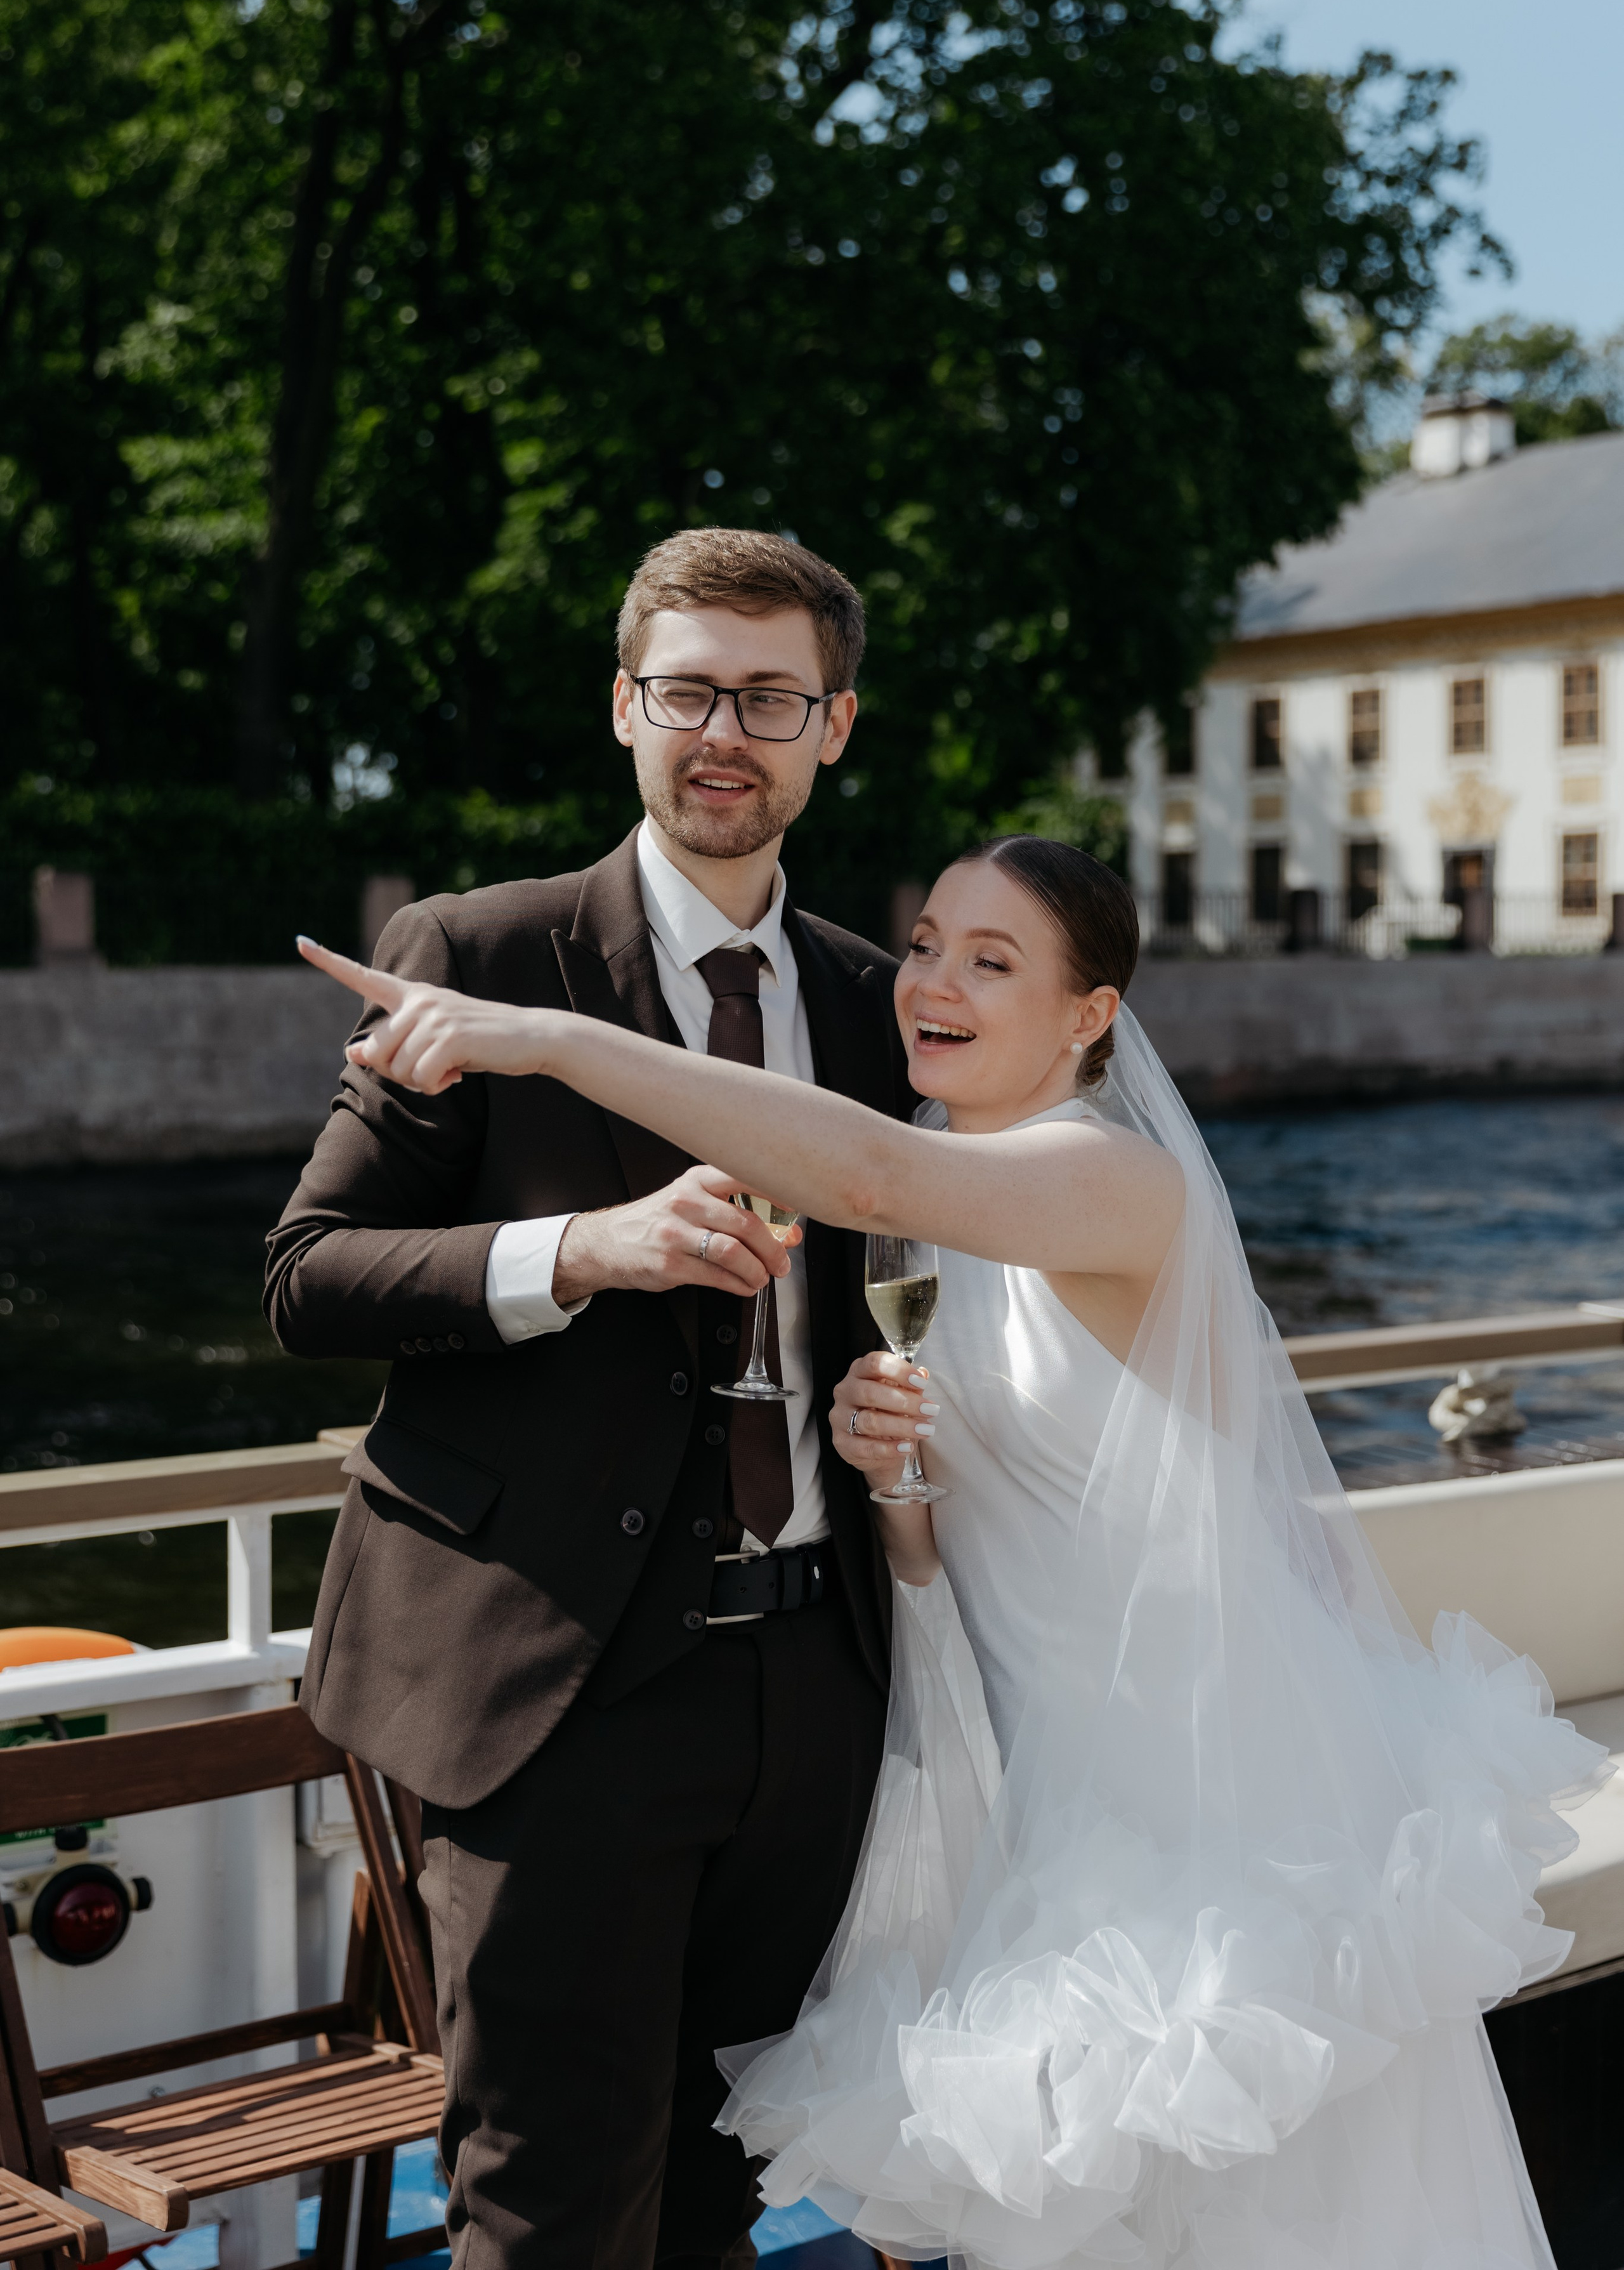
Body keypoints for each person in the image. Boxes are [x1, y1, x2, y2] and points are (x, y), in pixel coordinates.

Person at [299, 829, 1610, 2270]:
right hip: (1017, 1782)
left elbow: (856, 1170)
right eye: (926, 943)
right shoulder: (959, 1198)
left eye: (994, 962)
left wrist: (547, 1038)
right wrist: (901, 1487)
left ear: (1089, 1015)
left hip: (1176, 1795)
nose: (931, 980)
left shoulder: (1107, 1181)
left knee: (1239, 2198)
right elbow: (963, 1526)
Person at [266, 528, 914, 2270]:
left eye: (770, 696)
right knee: (548, 2212)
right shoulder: (477, 952)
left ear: (833, 727)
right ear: (624, 708)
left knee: (733, 2195)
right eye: (689, 689)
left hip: (813, 1682)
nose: (728, 730)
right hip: (557, 1693)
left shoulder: (877, 1000)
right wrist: (580, 1252)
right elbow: (307, 1279)